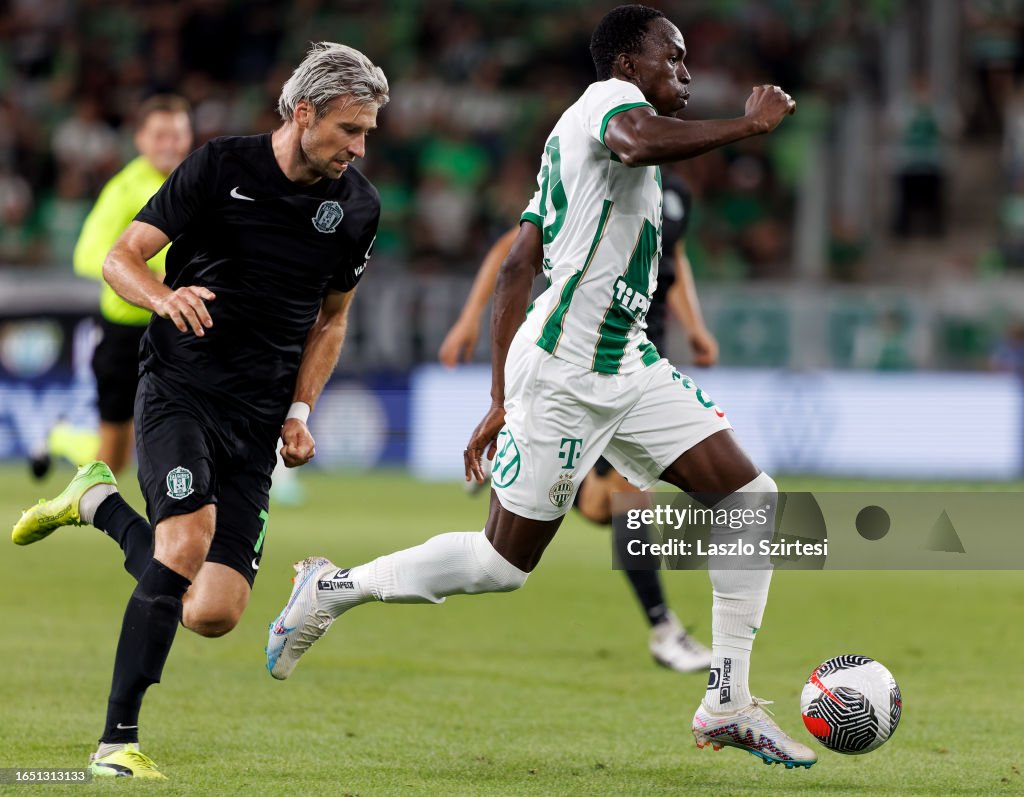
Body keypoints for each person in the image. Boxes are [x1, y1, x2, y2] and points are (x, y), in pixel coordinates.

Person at [268, 5, 815, 769]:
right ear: (627, 65)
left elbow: (519, 264)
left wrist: (496, 398)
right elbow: (633, 141)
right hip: (564, 374)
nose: (685, 74)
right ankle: (333, 587)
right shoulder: (606, 111)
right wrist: (749, 126)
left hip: (625, 363)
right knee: (502, 567)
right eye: (673, 58)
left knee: (751, 499)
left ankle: (727, 698)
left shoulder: (572, 141)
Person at [11, 42, 388, 779]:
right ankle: (115, 742)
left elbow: (333, 319)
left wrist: (302, 408)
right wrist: (163, 295)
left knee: (210, 611)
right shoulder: (220, 167)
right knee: (183, 544)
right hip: (180, 384)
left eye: (368, 131)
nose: (360, 146)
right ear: (304, 113)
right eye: (350, 129)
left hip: (259, 414)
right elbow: (123, 255)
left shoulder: (357, 207)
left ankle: (94, 500)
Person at [438, 168, 718, 673]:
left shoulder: (675, 191)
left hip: (638, 360)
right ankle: (663, 629)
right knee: (625, 502)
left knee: (600, 505)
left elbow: (672, 260)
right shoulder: (599, 170)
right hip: (585, 362)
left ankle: (517, 460)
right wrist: (467, 320)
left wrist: (695, 328)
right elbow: (513, 250)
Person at [29, 96, 193, 481]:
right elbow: (87, 256)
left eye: (178, 134)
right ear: (139, 140)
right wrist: (149, 273)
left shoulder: (193, 180)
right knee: (112, 460)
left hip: (177, 327)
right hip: (127, 333)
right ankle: (61, 438)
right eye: (160, 135)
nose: (170, 143)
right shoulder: (125, 189)